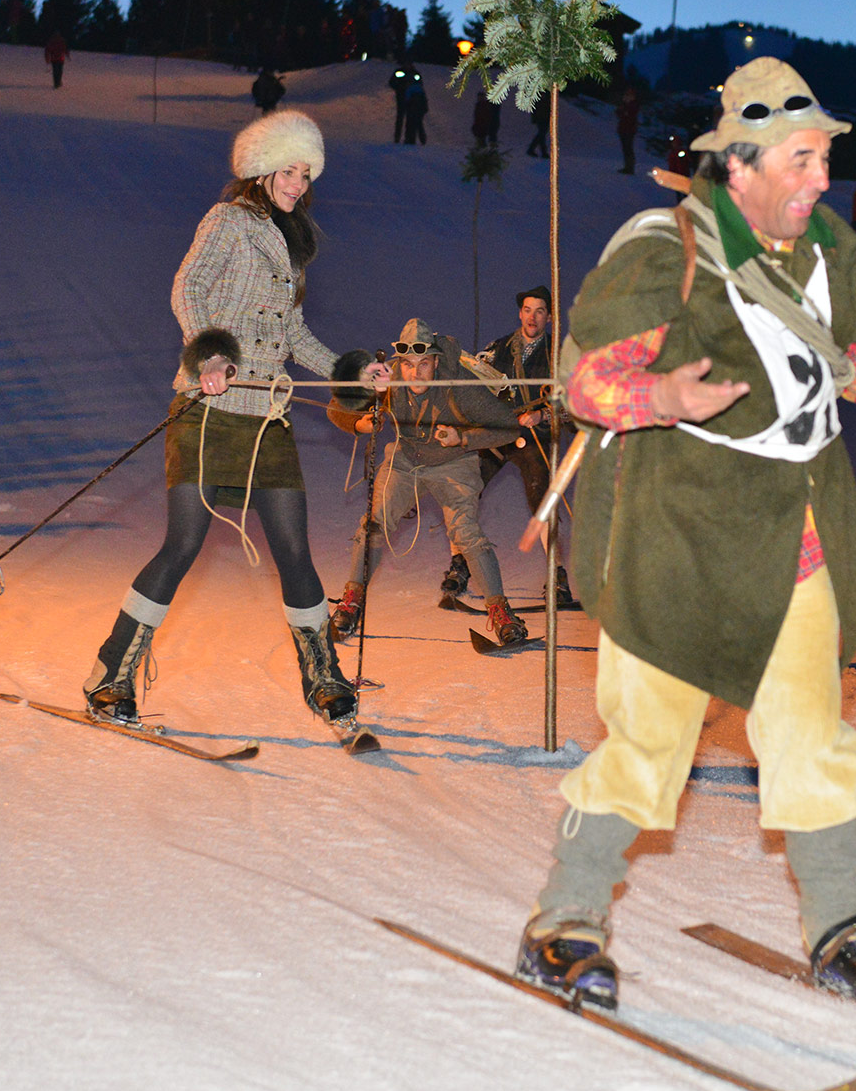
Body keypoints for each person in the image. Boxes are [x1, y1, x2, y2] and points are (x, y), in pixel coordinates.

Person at [511, 57, 856, 1014]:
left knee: (810, 734)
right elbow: (586, 383)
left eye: (826, 157)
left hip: (796, 533)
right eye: (802, 160)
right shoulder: (669, 252)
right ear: (739, 164)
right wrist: (662, 396)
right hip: (678, 533)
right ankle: (565, 924)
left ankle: (841, 931)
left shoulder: (830, 248)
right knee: (649, 739)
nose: (823, 178)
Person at [81, 109, 374, 731]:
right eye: (288, 171)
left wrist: (350, 374)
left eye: (306, 174)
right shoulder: (228, 220)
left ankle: (324, 678)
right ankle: (112, 675)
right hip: (209, 409)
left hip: (267, 419)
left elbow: (293, 332)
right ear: (262, 169)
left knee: (294, 550)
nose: (297, 183)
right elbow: (187, 288)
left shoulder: (293, 243)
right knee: (183, 543)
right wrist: (209, 355)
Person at [332, 318, 526, 644]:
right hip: (405, 459)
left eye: (423, 364)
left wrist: (463, 438)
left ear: (436, 361)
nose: (415, 373)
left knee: (465, 531)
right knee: (375, 521)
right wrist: (362, 424)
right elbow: (337, 406)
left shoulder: (457, 383)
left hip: (454, 462)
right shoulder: (388, 379)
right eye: (408, 364)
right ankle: (352, 600)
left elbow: (508, 426)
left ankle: (500, 611)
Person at [453, 285, 575, 605]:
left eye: (540, 311)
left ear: (549, 317)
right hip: (498, 433)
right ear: (520, 313)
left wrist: (543, 414)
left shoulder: (559, 356)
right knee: (463, 488)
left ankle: (556, 574)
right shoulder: (498, 349)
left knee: (543, 500)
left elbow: (575, 404)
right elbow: (475, 382)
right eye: (527, 310)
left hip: (534, 438)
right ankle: (460, 564)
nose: (532, 317)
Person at [387, 63, 416, 143]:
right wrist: (399, 88)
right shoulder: (399, 72)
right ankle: (397, 137)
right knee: (400, 118)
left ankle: (408, 138)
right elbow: (391, 82)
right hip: (401, 97)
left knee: (409, 119)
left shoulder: (414, 72)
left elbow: (419, 84)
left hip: (412, 99)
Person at [615, 86, 640, 174]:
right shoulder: (625, 103)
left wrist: (624, 112)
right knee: (626, 148)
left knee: (628, 148)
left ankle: (630, 168)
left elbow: (629, 115)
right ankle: (627, 167)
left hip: (629, 129)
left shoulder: (633, 104)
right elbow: (620, 113)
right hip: (623, 128)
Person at [402, 71, 428, 146]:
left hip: (412, 107)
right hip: (419, 107)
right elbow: (424, 98)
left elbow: (407, 98)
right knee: (418, 123)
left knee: (411, 123)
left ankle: (410, 139)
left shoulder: (410, 88)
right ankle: (421, 139)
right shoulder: (419, 88)